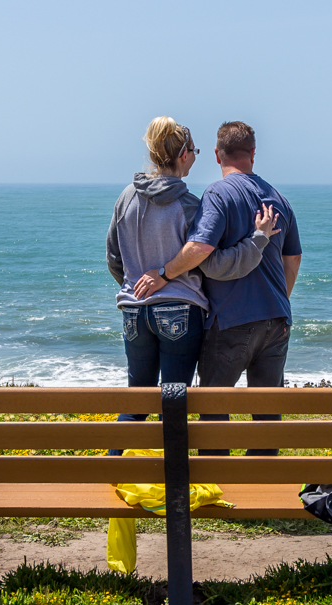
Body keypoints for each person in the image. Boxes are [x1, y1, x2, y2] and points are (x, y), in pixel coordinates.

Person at [107, 117, 281, 454]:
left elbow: (114, 256)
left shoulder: (126, 198)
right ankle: (173, 482)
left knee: (136, 401)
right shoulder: (188, 205)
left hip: (133, 310)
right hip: (179, 311)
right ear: (184, 155)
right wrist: (258, 239)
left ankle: (113, 471)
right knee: (175, 401)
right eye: (194, 151)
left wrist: (138, 290)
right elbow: (206, 259)